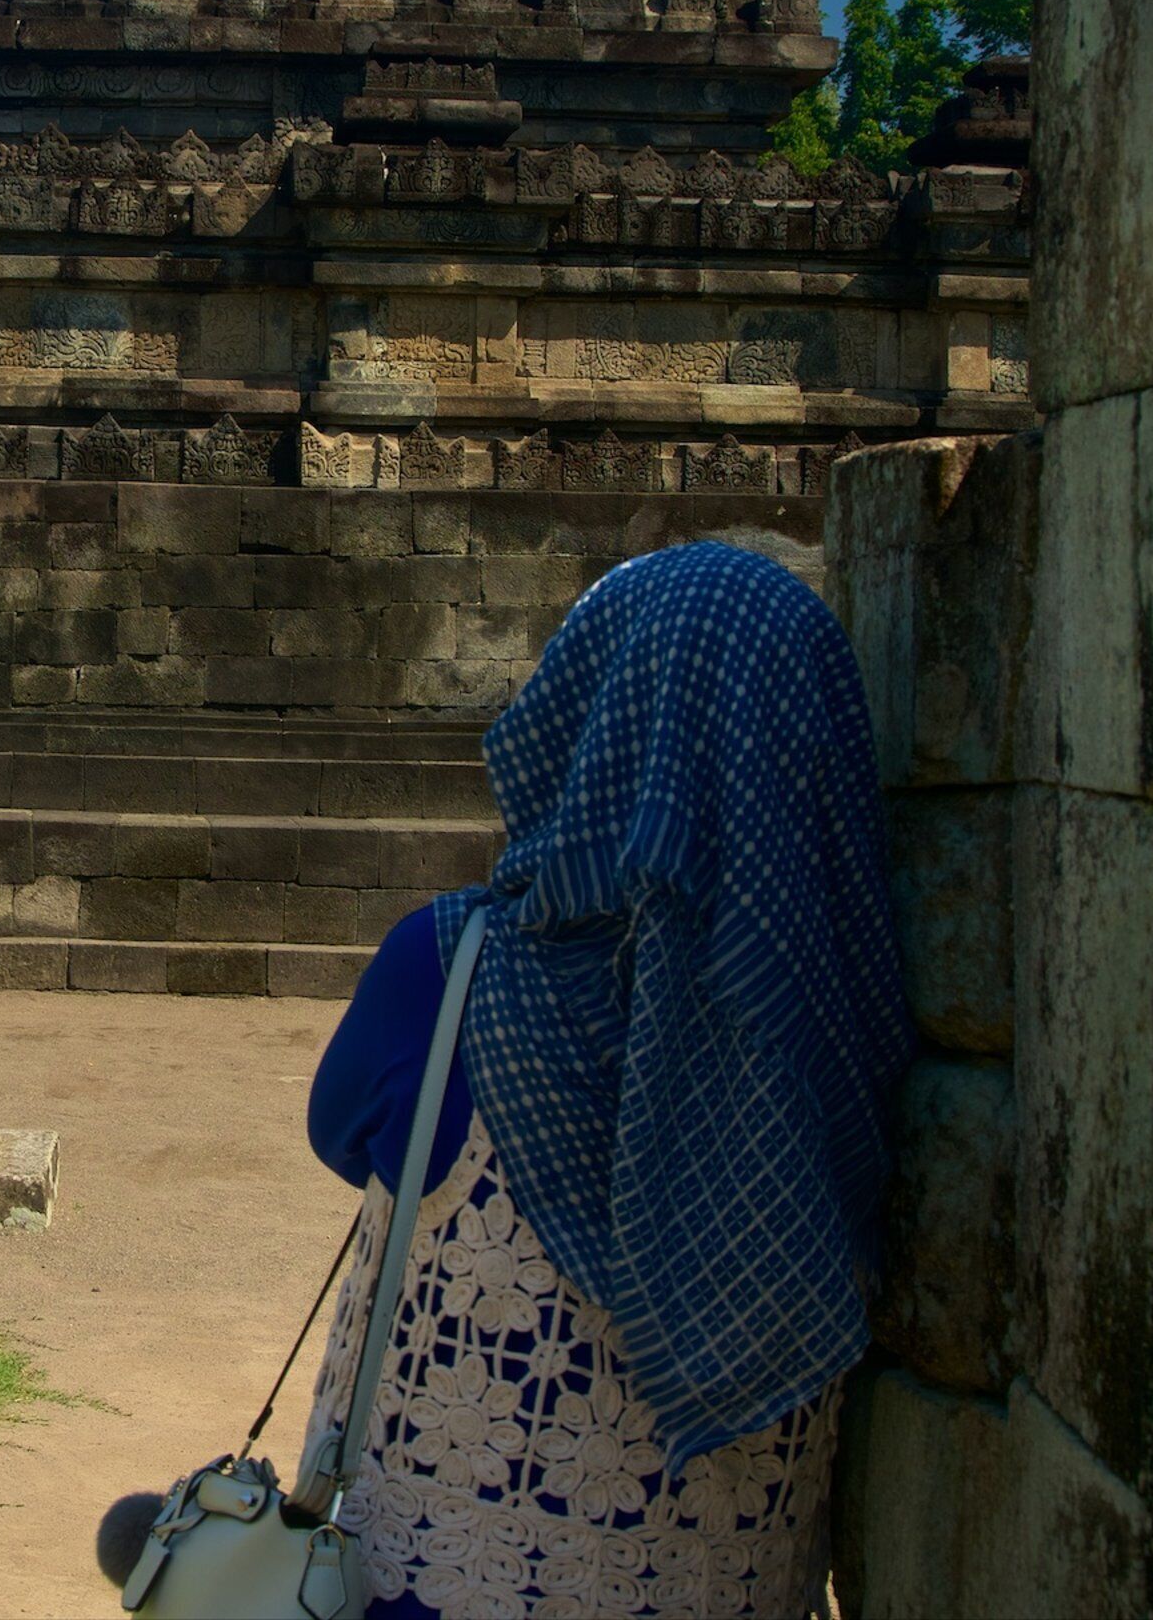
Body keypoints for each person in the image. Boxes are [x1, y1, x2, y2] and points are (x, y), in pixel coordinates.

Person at [297, 542, 911, 1620]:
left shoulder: (446, 972)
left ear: (587, 711)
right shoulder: (857, 1030)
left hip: (436, 1572)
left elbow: (343, 1132)